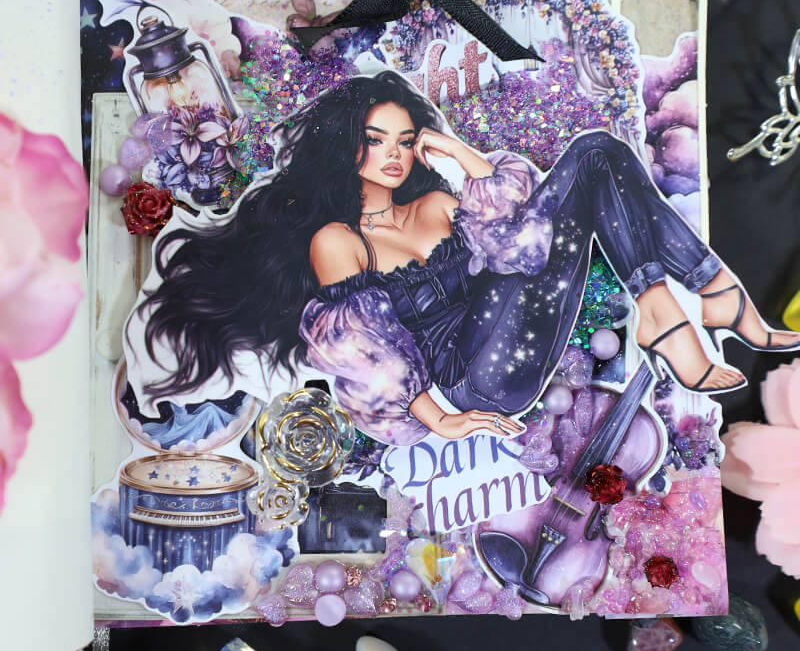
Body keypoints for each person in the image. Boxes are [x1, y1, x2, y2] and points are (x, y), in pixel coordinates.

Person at [126, 71, 799, 447]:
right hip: (478, 376)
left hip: (518, 325)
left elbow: (526, 248)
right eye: (376, 140)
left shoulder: (437, 204)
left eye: (405, 140)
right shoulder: (337, 240)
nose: (394, 155)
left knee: (596, 152)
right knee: (589, 162)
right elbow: (370, 357)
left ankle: (685, 302)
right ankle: (693, 310)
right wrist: (443, 419)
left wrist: (462, 155)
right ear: (345, 146)